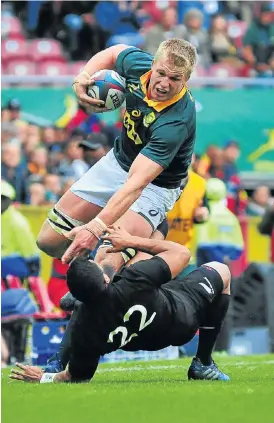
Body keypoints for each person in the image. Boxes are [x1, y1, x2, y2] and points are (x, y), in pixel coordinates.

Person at [36, 39, 197, 277]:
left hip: (156, 185)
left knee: (106, 262)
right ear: (153, 64)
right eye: (161, 73)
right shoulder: (139, 66)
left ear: (185, 80)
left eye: (174, 79)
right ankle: (104, 274)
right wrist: (83, 76)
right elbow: (113, 53)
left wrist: (96, 228)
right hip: (118, 161)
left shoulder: (176, 121)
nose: (164, 84)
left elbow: (136, 185)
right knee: (49, 241)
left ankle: (110, 275)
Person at [10, 226, 231, 384]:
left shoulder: (84, 332)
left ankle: (57, 358)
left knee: (141, 255)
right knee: (221, 270)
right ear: (106, 279)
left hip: (140, 340)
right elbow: (182, 253)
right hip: (181, 317)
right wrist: (129, 242)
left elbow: (76, 377)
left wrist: (44, 378)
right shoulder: (132, 280)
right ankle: (203, 362)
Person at [166, 161, 209, 277]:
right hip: (158, 251)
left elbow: (204, 210)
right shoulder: (158, 177)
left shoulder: (199, 183)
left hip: (185, 251)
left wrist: (202, 215)